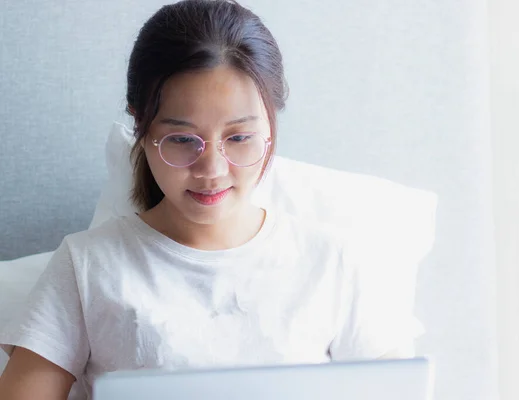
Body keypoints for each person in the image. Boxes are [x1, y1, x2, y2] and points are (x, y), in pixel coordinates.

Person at [0, 1, 420, 399]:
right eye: (182, 140)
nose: (211, 169)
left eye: (238, 138)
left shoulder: (331, 262)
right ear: (141, 127)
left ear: (270, 125)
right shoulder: (88, 265)